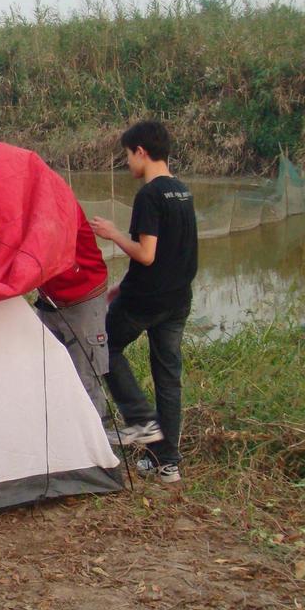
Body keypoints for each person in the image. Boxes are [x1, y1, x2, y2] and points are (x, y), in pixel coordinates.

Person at [90, 120, 198, 484]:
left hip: (147, 301)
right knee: (168, 378)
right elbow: (172, 254)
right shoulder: (182, 192)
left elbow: (148, 254)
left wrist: (113, 234)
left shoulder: (149, 196)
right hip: (177, 300)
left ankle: (139, 420)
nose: (127, 164)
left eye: (127, 155)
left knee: (103, 346)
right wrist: (123, 284)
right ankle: (167, 463)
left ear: (141, 151)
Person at [34, 199, 109, 421]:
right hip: (49, 299)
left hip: (82, 296)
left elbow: (45, 248)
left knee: (86, 376)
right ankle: (64, 434)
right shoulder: (21, 206)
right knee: (49, 372)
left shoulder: (59, 203)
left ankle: (96, 445)